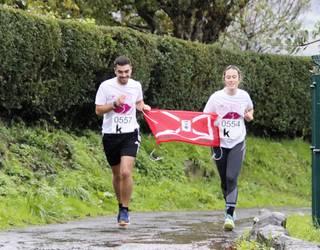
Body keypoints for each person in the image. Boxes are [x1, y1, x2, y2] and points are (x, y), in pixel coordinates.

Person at [95, 55, 151, 227]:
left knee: (126, 172)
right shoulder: (106, 86)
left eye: (127, 72)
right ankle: (120, 206)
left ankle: (125, 210)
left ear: (131, 70)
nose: (124, 75)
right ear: (115, 71)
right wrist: (114, 104)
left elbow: (138, 102)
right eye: (120, 72)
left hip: (130, 134)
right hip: (111, 135)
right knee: (117, 174)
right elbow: (98, 110)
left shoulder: (136, 85)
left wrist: (144, 107)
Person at [203, 65, 254, 231]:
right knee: (224, 179)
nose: (231, 80)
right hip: (219, 143)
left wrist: (249, 116)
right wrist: (215, 120)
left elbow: (250, 110)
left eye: (234, 77)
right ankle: (229, 206)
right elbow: (206, 116)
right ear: (224, 79)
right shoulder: (216, 97)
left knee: (232, 177)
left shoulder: (244, 96)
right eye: (228, 77)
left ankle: (230, 214)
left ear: (239, 79)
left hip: (237, 141)